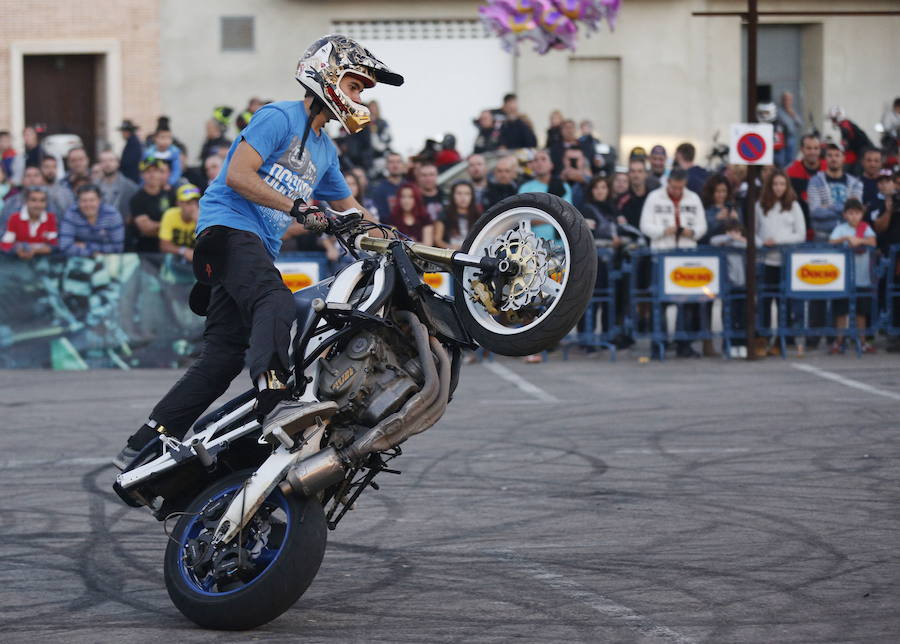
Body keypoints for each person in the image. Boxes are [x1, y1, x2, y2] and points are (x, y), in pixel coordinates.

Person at [113, 34, 403, 469]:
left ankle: (144, 443)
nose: (359, 97)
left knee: (223, 357)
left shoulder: (325, 150)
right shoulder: (278, 117)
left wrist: (393, 239)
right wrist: (298, 208)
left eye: (362, 90)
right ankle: (273, 402)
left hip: (251, 249)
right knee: (275, 301)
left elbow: (350, 209)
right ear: (327, 75)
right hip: (226, 230)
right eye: (355, 85)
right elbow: (237, 175)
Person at [639, 168, 707, 358]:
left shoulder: (693, 198)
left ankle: (683, 343)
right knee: (658, 302)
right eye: (674, 187)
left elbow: (702, 226)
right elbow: (645, 225)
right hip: (660, 256)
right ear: (668, 182)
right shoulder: (654, 198)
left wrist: (691, 232)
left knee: (685, 303)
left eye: (680, 188)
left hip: (685, 258)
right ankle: (658, 344)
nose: (677, 191)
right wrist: (663, 231)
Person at [755, 170, 806, 356]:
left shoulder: (793, 206)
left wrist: (778, 240)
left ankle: (784, 339)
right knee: (765, 302)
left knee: (786, 302)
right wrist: (762, 242)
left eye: (782, 184)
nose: (778, 188)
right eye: (775, 184)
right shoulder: (760, 206)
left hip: (786, 262)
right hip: (766, 261)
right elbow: (754, 231)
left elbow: (800, 234)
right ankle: (763, 338)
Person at [828, 199, 877, 354]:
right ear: (845, 215)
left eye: (857, 213)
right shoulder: (841, 229)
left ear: (862, 214)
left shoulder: (866, 228)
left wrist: (860, 240)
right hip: (843, 278)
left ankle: (862, 342)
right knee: (841, 311)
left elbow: (873, 242)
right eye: (850, 213)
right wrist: (846, 239)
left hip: (862, 277)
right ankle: (839, 341)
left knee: (861, 312)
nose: (854, 217)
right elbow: (831, 241)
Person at [807, 143, 863, 241]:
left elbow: (856, 211)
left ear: (843, 158)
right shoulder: (815, 181)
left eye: (837, 155)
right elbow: (815, 212)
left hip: (848, 235)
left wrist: (828, 207)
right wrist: (844, 209)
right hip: (822, 236)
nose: (833, 159)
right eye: (830, 155)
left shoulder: (855, 183)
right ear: (825, 158)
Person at [58, 184, 125, 257]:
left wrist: (87, 245)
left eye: (92, 200)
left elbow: (118, 248)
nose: (88, 205)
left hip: (108, 261)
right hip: (79, 261)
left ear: (99, 200)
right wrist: (92, 254)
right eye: (83, 201)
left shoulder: (112, 215)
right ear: (77, 202)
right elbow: (65, 246)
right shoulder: (71, 214)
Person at [128, 158, 175, 252]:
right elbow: (146, 229)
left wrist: (158, 226)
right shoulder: (137, 199)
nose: (152, 175)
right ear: (142, 175)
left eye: (156, 171)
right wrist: (169, 226)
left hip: (170, 249)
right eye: (148, 171)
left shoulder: (171, 194)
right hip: (146, 251)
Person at [0, 187, 58, 258]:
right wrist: (17, 250)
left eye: (42, 201)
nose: (38, 204)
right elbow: (5, 244)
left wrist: (34, 250)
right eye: (33, 200)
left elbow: (54, 245)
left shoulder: (50, 218)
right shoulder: (15, 218)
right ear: (26, 201)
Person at [786, 134, 826, 230]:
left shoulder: (828, 169)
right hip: (797, 226)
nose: (813, 152)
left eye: (816, 148)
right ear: (802, 149)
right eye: (809, 148)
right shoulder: (790, 172)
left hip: (824, 226)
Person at [158, 183, 202, 261]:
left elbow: (211, 246)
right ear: (178, 203)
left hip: (199, 261)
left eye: (196, 202)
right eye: (188, 203)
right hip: (174, 261)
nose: (193, 207)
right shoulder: (170, 214)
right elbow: (164, 246)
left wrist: (199, 223)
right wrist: (184, 251)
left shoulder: (204, 217)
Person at [96, 150, 139, 223]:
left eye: (111, 160)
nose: (107, 164)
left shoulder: (131, 187)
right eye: (103, 161)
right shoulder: (94, 186)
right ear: (99, 164)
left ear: (118, 163)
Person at [435, 181, 480, 249]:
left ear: (472, 196)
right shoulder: (444, 214)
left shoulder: (478, 215)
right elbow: (437, 240)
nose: (463, 197)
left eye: (467, 194)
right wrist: (450, 247)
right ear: (452, 195)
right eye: (459, 193)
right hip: (450, 254)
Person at [827, 106, 872, 171]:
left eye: (833, 119)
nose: (832, 122)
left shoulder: (845, 124)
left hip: (863, 150)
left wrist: (840, 146)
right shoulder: (846, 123)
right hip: (860, 149)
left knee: (856, 169)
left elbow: (846, 140)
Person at [699, 175, 740, 244]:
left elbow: (743, 231)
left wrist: (736, 219)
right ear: (711, 192)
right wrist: (717, 220)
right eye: (718, 191)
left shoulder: (734, 207)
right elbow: (702, 234)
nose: (721, 195)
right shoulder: (704, 209)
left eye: (724, 191)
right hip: (710, 249)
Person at [369, 152, 406, 225]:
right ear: (386, 165)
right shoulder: (378, 189)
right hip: (388, 229)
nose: (395, 165)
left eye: (398, 162)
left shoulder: (410, 187)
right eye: (391, 162)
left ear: (403, 165)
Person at [579, 175, 618, 242]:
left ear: (608, 190)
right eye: (596, 188)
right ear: (591, 191)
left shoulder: (613, 208)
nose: (600, 191)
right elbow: (588, 238)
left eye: (603, 187)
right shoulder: (587, 210)